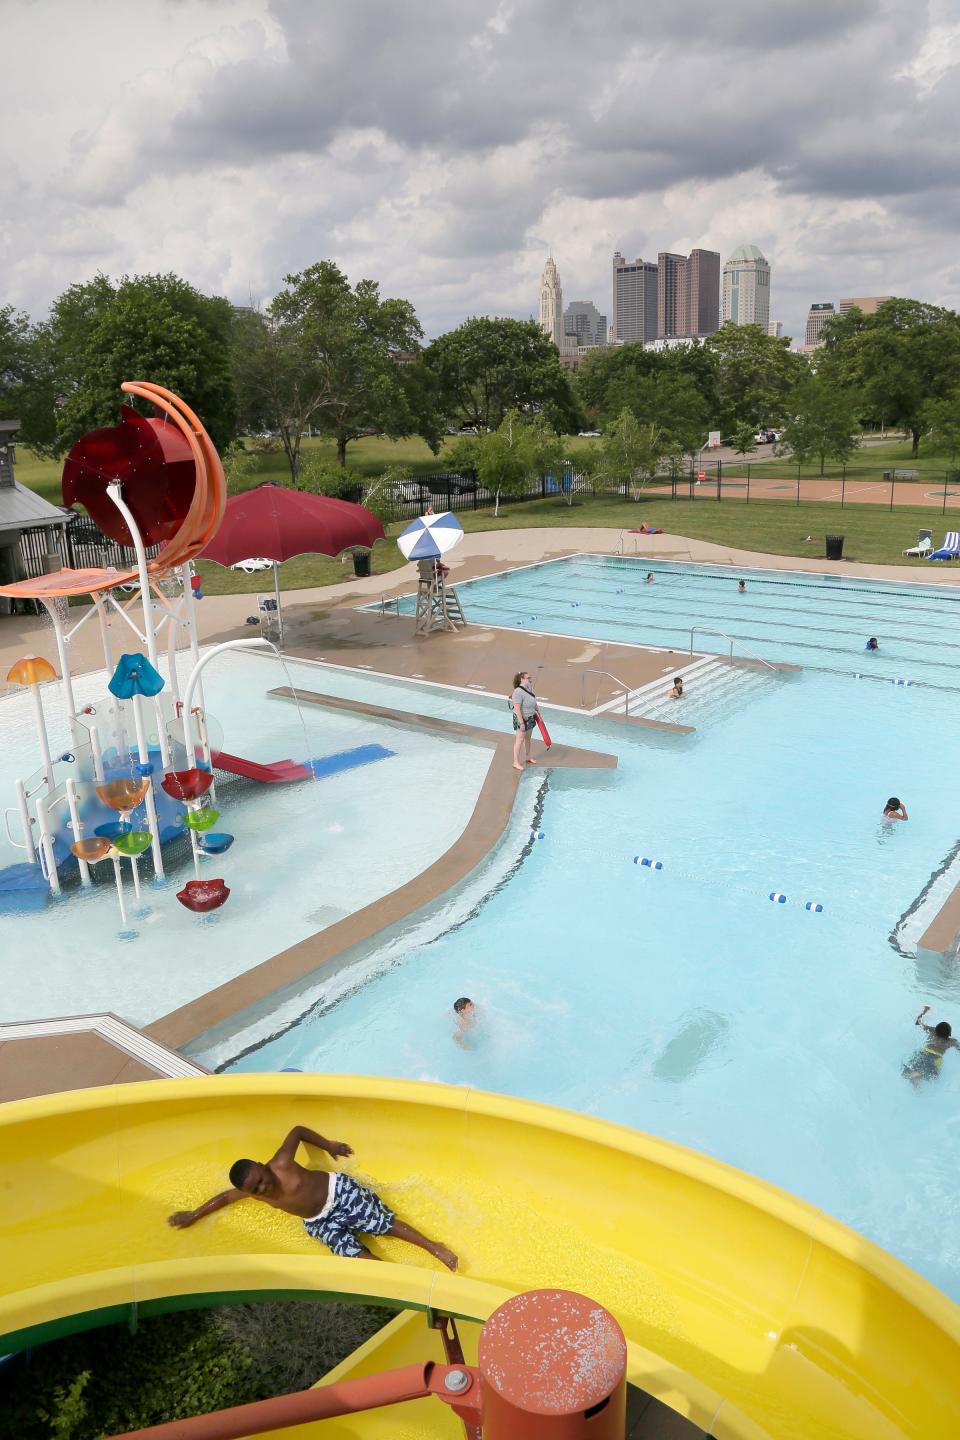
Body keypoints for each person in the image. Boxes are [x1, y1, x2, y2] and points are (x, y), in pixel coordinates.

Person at [167, 1123, 458, 1270]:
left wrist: (328, 1144)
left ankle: (434, 1247)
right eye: (254, 1189)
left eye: (260, 1181)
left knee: (383, 1225)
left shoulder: (280, 1163)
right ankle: (395, 1275)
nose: (262, 1189)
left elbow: (297, 1131)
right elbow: (223, 1199)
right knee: (351, 1254)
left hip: (339, 1194)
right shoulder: (253, 1194)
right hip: (318, 1221)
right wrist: (193, 1215)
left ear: (260, 1165)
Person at [903, 1007, 960, 1087]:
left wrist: (924, 1011)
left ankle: (915, 1078)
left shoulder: (933, 1031)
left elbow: (918, 1022)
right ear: (949, 1034)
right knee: (930, 1077)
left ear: (936, 1030)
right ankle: (918, 1079)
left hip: (923, 1053)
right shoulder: (952, 1041)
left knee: (908, 1071)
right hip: (936, 1060)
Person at [511, 670, 539, 770]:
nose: (530, 679)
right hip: (522, 718)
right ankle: (515, 762)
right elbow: (517, 708)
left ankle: (528, 756)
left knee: (527, 739)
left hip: (530, 716)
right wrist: (521, 722)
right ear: (522, 679)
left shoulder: (529, 687)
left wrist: (537, 710)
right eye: (528, 678)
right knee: (519, 740)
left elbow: (533, 700)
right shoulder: (517, 692)